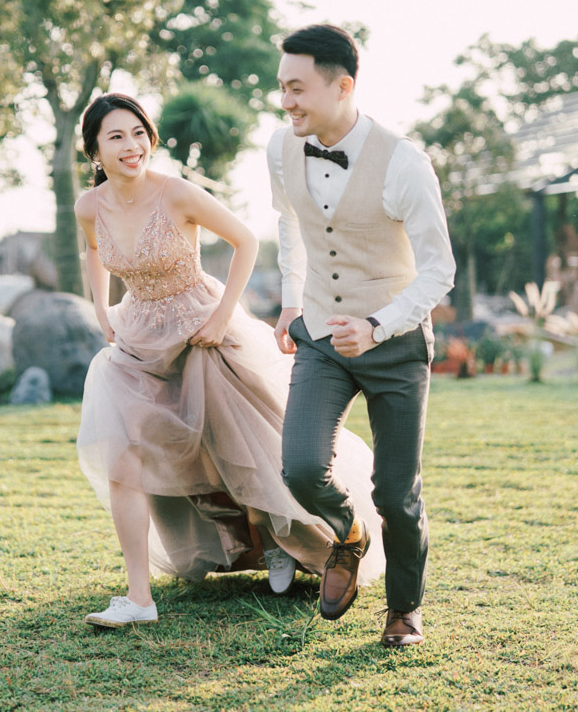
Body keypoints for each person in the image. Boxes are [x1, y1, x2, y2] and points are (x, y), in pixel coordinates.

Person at [76, 93, 384, 629]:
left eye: (138, 133)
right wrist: (102, 310)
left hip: (202, 329)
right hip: (138, 339)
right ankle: (138, 598)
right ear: (95, 151)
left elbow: (245, 241)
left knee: (237, 447)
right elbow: (95, 251)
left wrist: (221, 317)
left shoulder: (176, 193)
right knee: (125, 459)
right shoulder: (90, 206)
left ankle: (278, 539)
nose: (132, 146)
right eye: (116, 137)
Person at [269, 24, 455, 648]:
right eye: (282, 88)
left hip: (395, 344)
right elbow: (289, 224)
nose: (286, 101)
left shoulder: (404, 162)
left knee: (397, 492)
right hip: (321, 335)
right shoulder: (281, 148)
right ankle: (348, 533)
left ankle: (404, 609)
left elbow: (439, 269)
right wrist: (292, 301)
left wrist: (378, 326)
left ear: (342, 86)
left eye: (297, 89)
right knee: (300, 468)